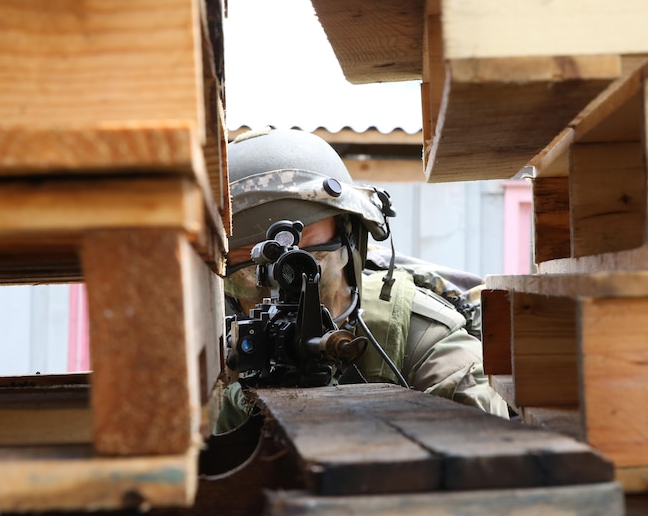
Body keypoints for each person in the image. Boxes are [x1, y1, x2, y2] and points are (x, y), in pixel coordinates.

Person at [215, 127, 511, 433]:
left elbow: (490, 458)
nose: (280, 290)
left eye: (305, 264)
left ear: (350, 240)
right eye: (251, 273)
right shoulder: (211, 355)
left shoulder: (421, 343)